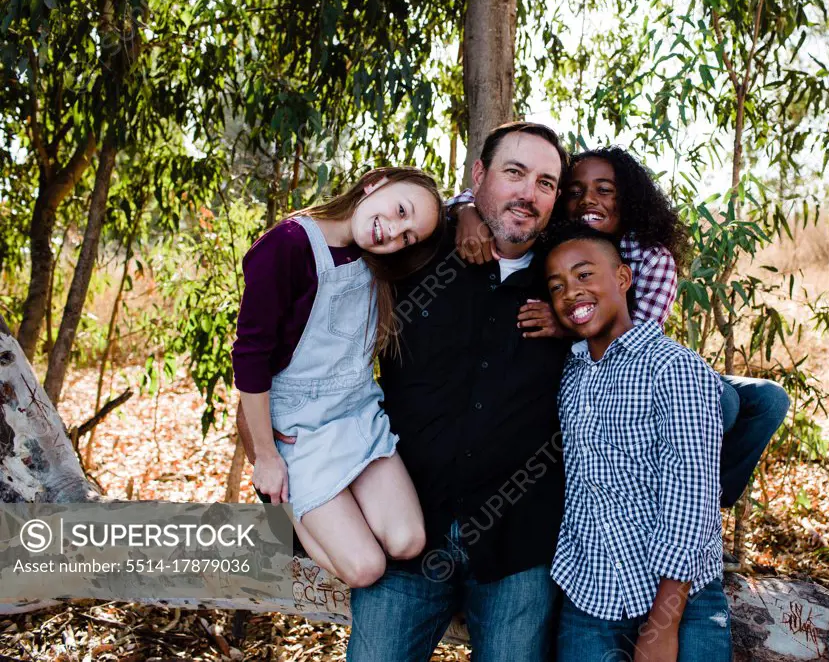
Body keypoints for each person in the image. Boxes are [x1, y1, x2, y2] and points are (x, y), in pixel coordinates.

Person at [451, 146, 790, 509]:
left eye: (604, 190)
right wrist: (466, 211)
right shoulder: (550, 233)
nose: (588, 200)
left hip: (636, 364)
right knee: (722, 401)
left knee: (766, 400)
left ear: (627, 198)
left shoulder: (647, 255)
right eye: (576, 191)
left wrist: (563, 325)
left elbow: (636, 346)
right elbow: (490, 192)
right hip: (578, 367)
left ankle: (704, 498)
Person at [345, 122, 571, 662]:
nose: (528, 193)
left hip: (516, 546)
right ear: (477, 176)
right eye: (514, 173)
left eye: (546, 182)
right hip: (407, 529)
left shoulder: (569, 282)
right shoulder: (417, 252)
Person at [232, 167, 444, 588]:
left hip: (355, 414)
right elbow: (250, 356)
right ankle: (289, 511)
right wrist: (266, 455)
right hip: (300, 433)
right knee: (365, 568)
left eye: (408, 236)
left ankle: (334, 506)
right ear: (375, 183)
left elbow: (466, 214)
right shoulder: (289, 245)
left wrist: (471, 211)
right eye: (400, 210)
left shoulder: (376, 262)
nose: (394, 232)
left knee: (407, 541)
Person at [543, 221, 731, 662]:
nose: (571, 292)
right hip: (590, 597)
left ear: (623, 279)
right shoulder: (569, 373)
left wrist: (663, 623)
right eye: (557, 286)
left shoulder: (673, 368)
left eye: (584, 275)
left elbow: (692, 492)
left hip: (680, 600)